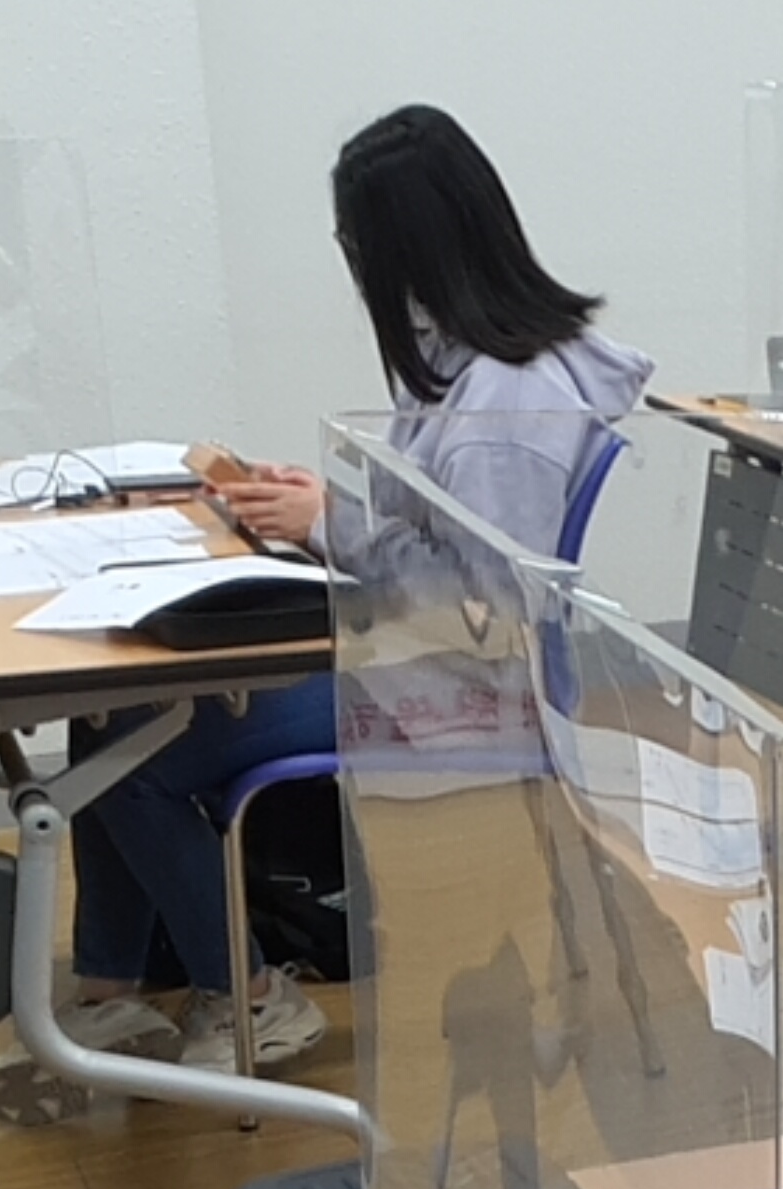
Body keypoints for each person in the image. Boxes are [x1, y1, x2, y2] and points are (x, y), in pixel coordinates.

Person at [42, 105, 646, 1086]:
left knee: (133, 757)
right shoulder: (466, 361)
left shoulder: (508, 400)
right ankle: (113, 991)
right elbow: (443, 532)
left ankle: (250, 1000)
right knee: (108, 719)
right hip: (409, 650)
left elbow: (484, 602)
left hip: (459, 687)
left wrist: (330, 522)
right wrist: (315, 507)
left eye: (355, 248)